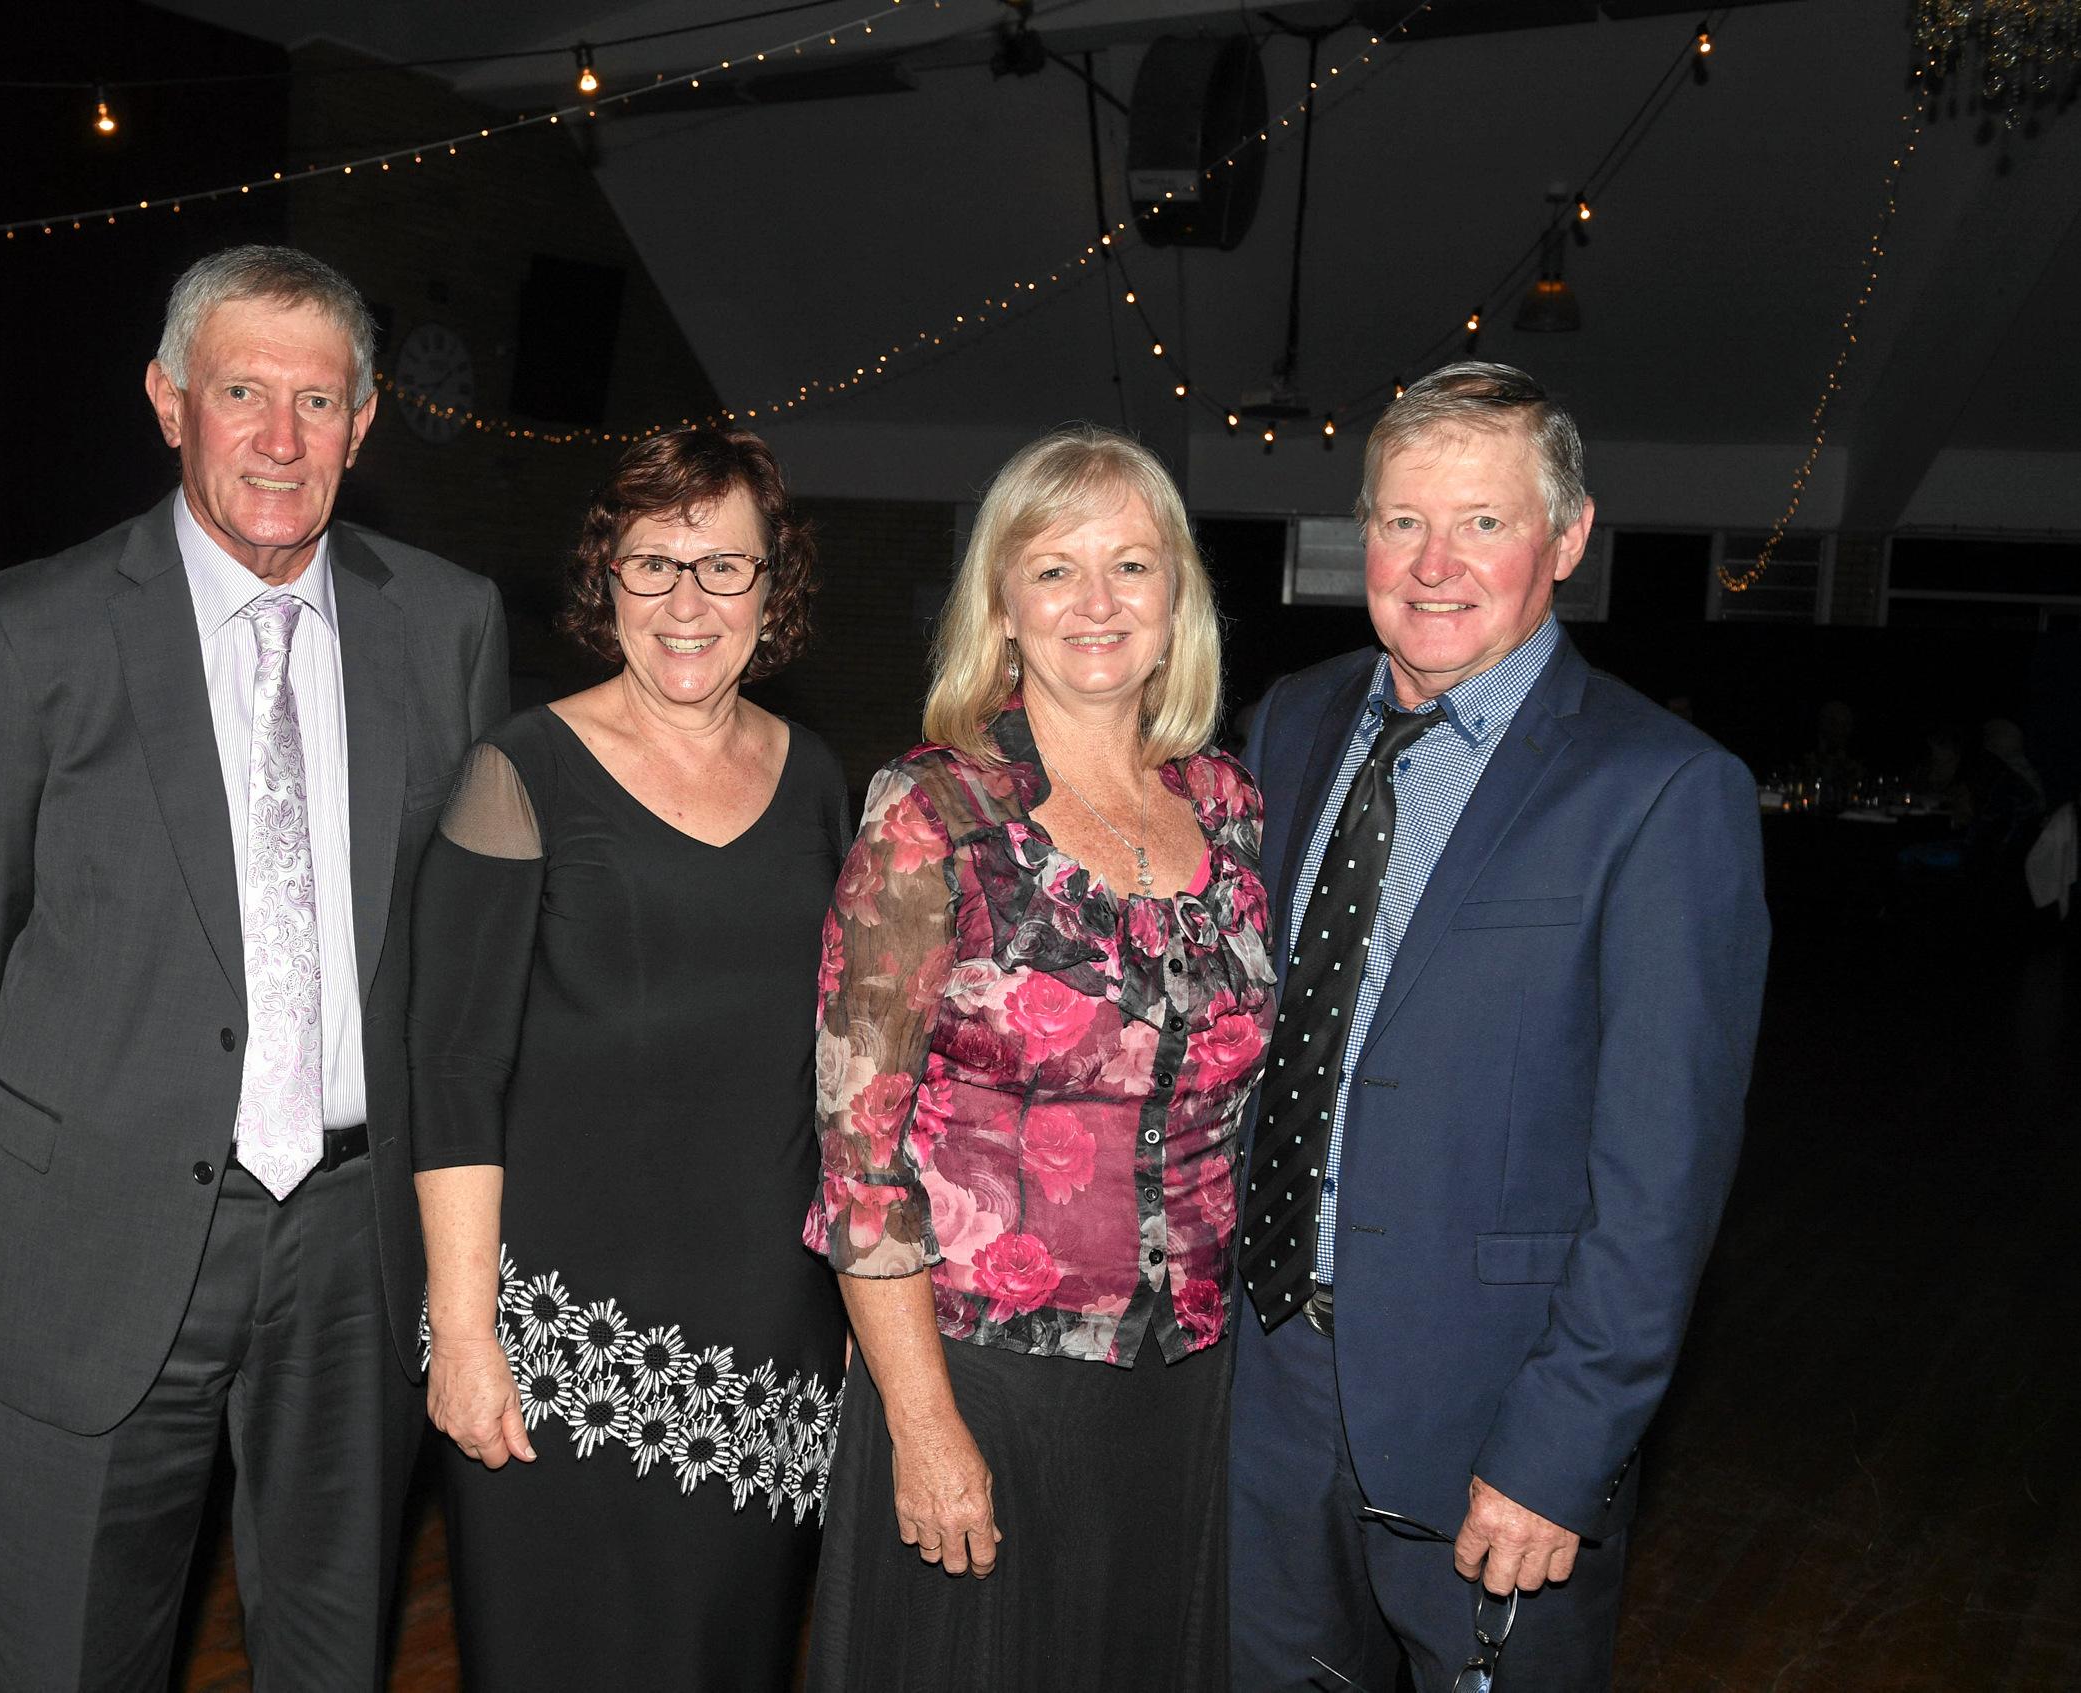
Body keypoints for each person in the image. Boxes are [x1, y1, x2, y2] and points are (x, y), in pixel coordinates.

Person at [0, 245, 509, 1690]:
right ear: (169, 400)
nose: (280, 440)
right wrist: (92, 1111)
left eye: (318, 400)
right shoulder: (27, 630)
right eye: (243, 392)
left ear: (364, 423)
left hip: (359, 1245)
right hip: (98, 1238)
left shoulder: (447, 625)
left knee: (330, 1649)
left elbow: (467, 936)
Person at [1226, 362, 1769, 1691]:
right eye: (1402, 520)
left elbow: (1661, 1181)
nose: (1431, 563)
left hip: (1492, 1421)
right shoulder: (1290, 723)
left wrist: (1555, 1453)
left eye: (1482, 520)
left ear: (1566, 539)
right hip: (1265, 1386)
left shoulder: (1661, 791)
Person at [802, 425, 1276, 1692]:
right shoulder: (935, 812)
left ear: (1177, 596)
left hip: (1187, 1380)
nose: (1097, 601)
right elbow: (860, 1160)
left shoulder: (1229, 808)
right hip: (985, 1375)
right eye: (1055, 567)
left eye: (1132, 563)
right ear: (1002, 605)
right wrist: (919, 1418)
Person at [407, 427, 849, 1691]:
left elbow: (843, 1067)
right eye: (655, 563)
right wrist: (464, 1329)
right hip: (561, 1336)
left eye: (725, 565)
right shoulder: (518, 772)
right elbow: (452, 1073)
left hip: (767, 1321)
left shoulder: (818, 778)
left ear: (775, 588)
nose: (688, 602)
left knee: (730, 1651)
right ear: (607, 579)